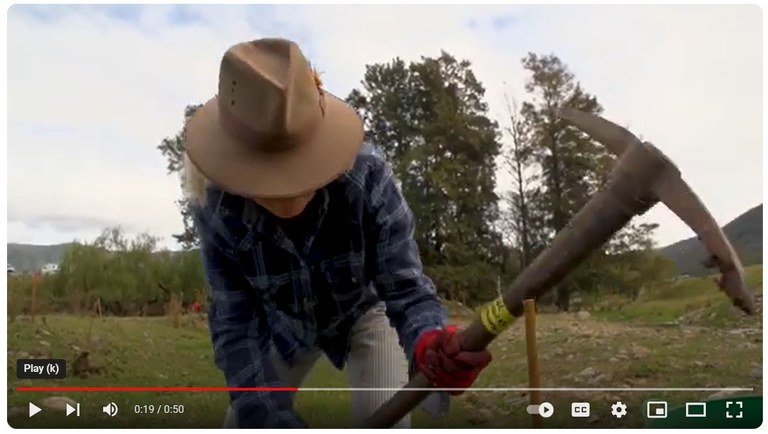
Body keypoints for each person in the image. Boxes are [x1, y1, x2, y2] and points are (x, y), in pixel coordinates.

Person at [183, 37, 492, 429]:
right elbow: (236, 326)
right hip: (283, 324)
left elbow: (406, 289)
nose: (286, 189)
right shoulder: (216, 209)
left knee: (386, 423)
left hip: (364, 309)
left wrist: (429, 344)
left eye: (296, 165)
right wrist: (266, 415)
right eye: (265, 174)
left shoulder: (368, 177)